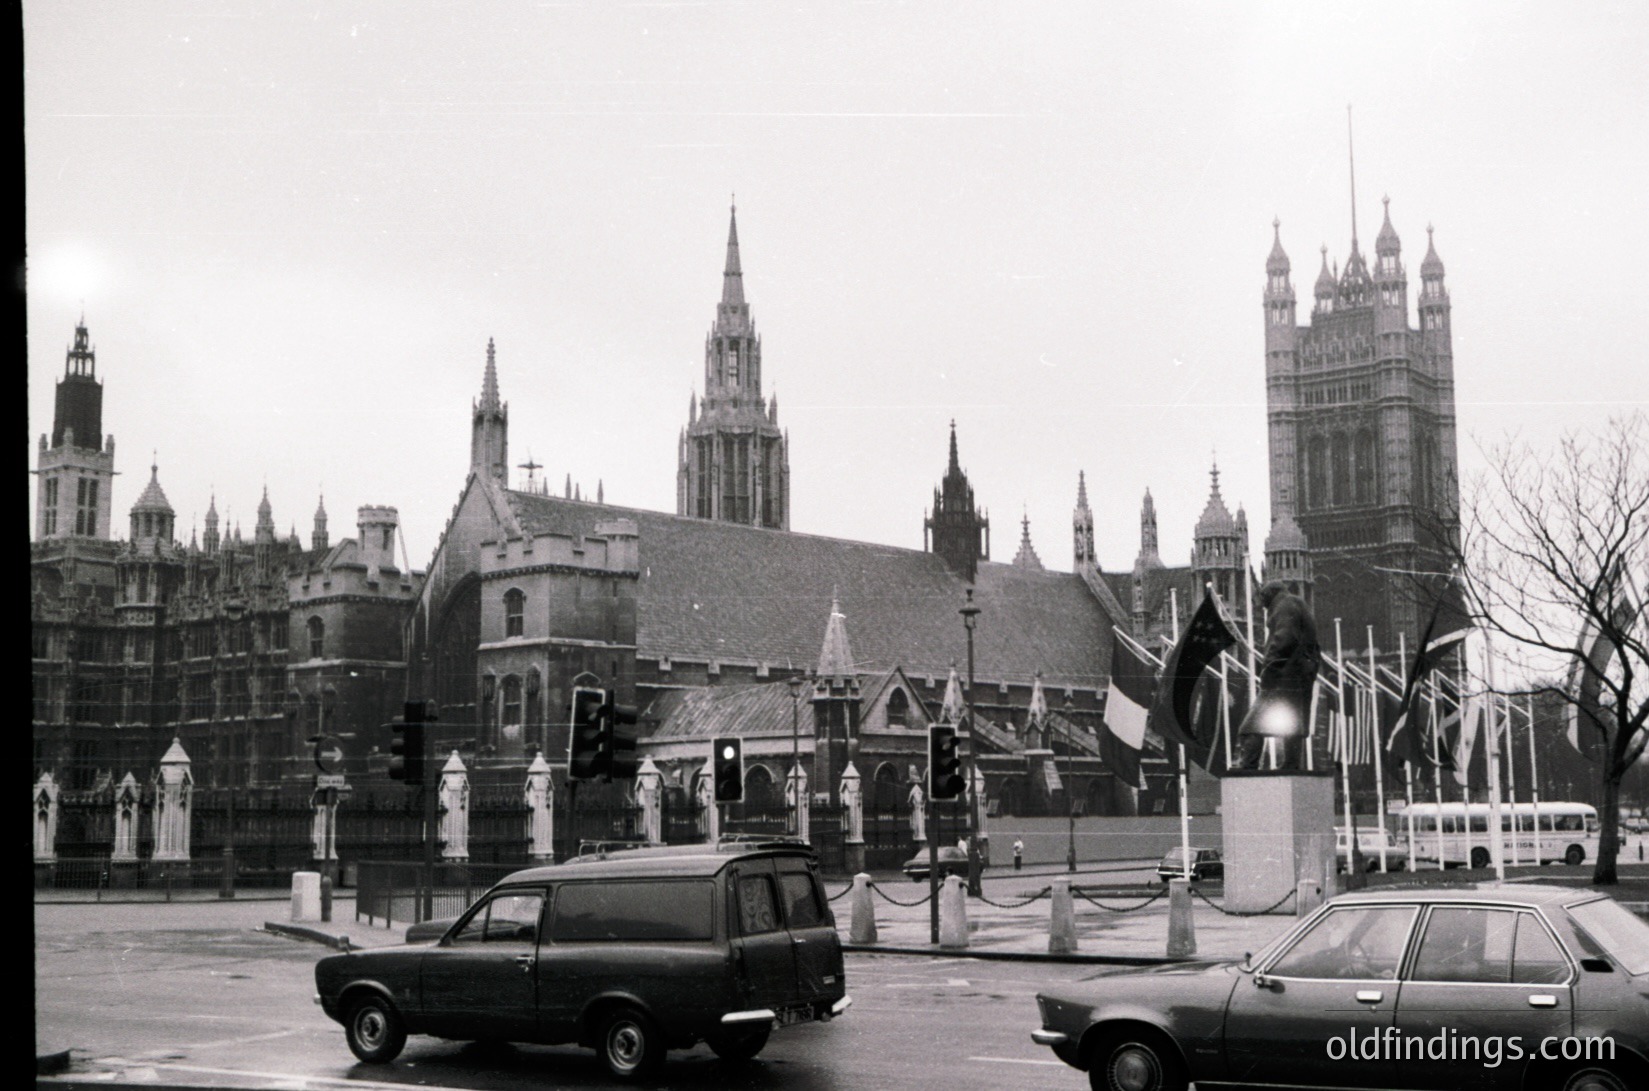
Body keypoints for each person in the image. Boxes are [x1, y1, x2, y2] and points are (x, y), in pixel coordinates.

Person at [1236, 580, 1320, 769]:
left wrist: (1269, 667)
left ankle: (1248, 769)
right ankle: (1291, 766)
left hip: (1282, 677)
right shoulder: (1299, 604)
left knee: (1250, 727)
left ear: (1271, 594)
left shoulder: (1284, 606)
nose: (1261, 604)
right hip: (1300, 677)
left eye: (1262, 598)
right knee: (1294, 725)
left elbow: (1284, 638)